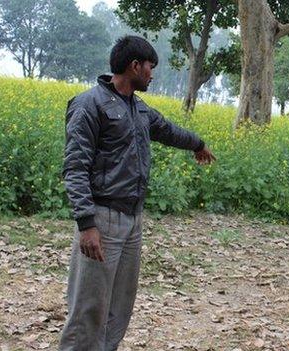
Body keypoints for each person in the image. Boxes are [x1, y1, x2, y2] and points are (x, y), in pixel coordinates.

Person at [58, 35, 216, 350]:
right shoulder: (89, 104)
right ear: (134, 66)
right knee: (89, 307)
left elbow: (169, 130)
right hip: (102, 220)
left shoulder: (138, 109)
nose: (152, 75)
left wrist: (197, 143)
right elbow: (75, 168)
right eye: (150, 67)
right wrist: (86, 224)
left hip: (132, 221)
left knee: (120, 306)